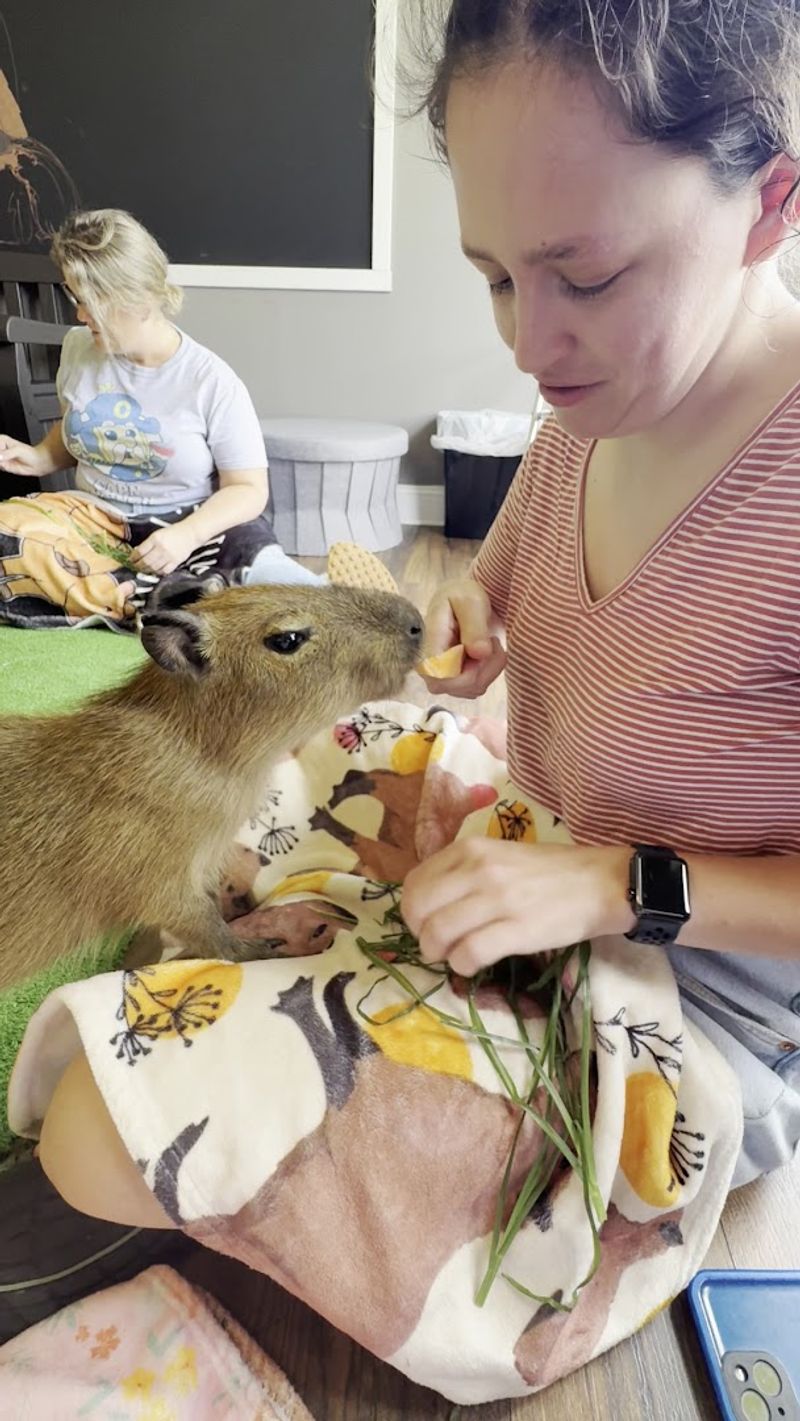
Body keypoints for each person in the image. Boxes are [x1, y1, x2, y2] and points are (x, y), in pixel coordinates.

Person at [30, 0, 800, 1224]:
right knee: (213, 835)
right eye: (492, 275)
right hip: (530, 844)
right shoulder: (578, 418)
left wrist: (614, 887)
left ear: (769, 201)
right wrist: (471, 626)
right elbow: (490, 597)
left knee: (96, 1130)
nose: (525, 344)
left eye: (584, 274)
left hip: (684, 993)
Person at [0, 208, 318, 628]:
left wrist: (186, 535)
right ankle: (176, 599)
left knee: (256, 563)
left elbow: (248, 490)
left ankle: (320, 598)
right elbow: (79, 432)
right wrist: (37, 457)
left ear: (141, 297)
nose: (79, 314)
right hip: (95, 522)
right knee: (8, 533)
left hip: (190, 524)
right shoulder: (78, 349)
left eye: (91, 302)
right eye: (75, 298)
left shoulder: (211, 381)